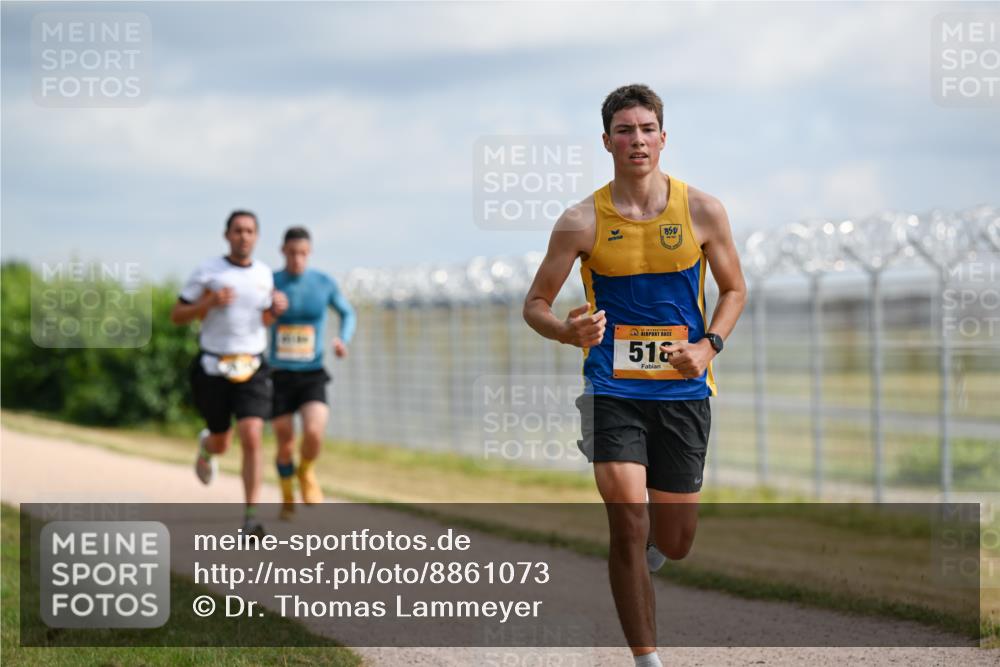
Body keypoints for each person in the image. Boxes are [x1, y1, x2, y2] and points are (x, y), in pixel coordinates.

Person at [522, 84, 746, 666]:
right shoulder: (579, 220)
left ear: (663, 138)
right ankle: (647, 659)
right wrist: (567, 331)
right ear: (607, 141)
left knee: (675, 540)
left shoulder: (702, 210)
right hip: (612, 390)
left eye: (647, 129)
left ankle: (655, 543)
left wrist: (709, 345)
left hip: (683, 392)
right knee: (626, 517)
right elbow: (536, 305)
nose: (637, 140)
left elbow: (734, 289)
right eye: (625, 130)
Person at [170, 210, 287, 538]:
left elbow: (261, 321)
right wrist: (206, 303)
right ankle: (207, 447)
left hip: (253, 365)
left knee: (252, 434)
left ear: (257, 237)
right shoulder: (208, 272)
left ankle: (251, 517)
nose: (243, 236)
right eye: (237, 230)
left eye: (249, 231)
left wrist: (274, 312)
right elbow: (177, 315)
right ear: (226, 235)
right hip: (213, 367)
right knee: (223, 441)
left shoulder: (264, 274)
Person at [267, 226, 356, 520]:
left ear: (310, 253)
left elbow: (348, 313)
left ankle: (305, 471)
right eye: (291, 253)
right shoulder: (270, 282)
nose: (297, 259)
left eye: (302, 253)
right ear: (283, 252)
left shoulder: (323, 283)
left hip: (312, 372)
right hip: (279, 373)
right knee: (285, 442)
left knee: (315, 432)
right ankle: (287, 495)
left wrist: (343, 338)